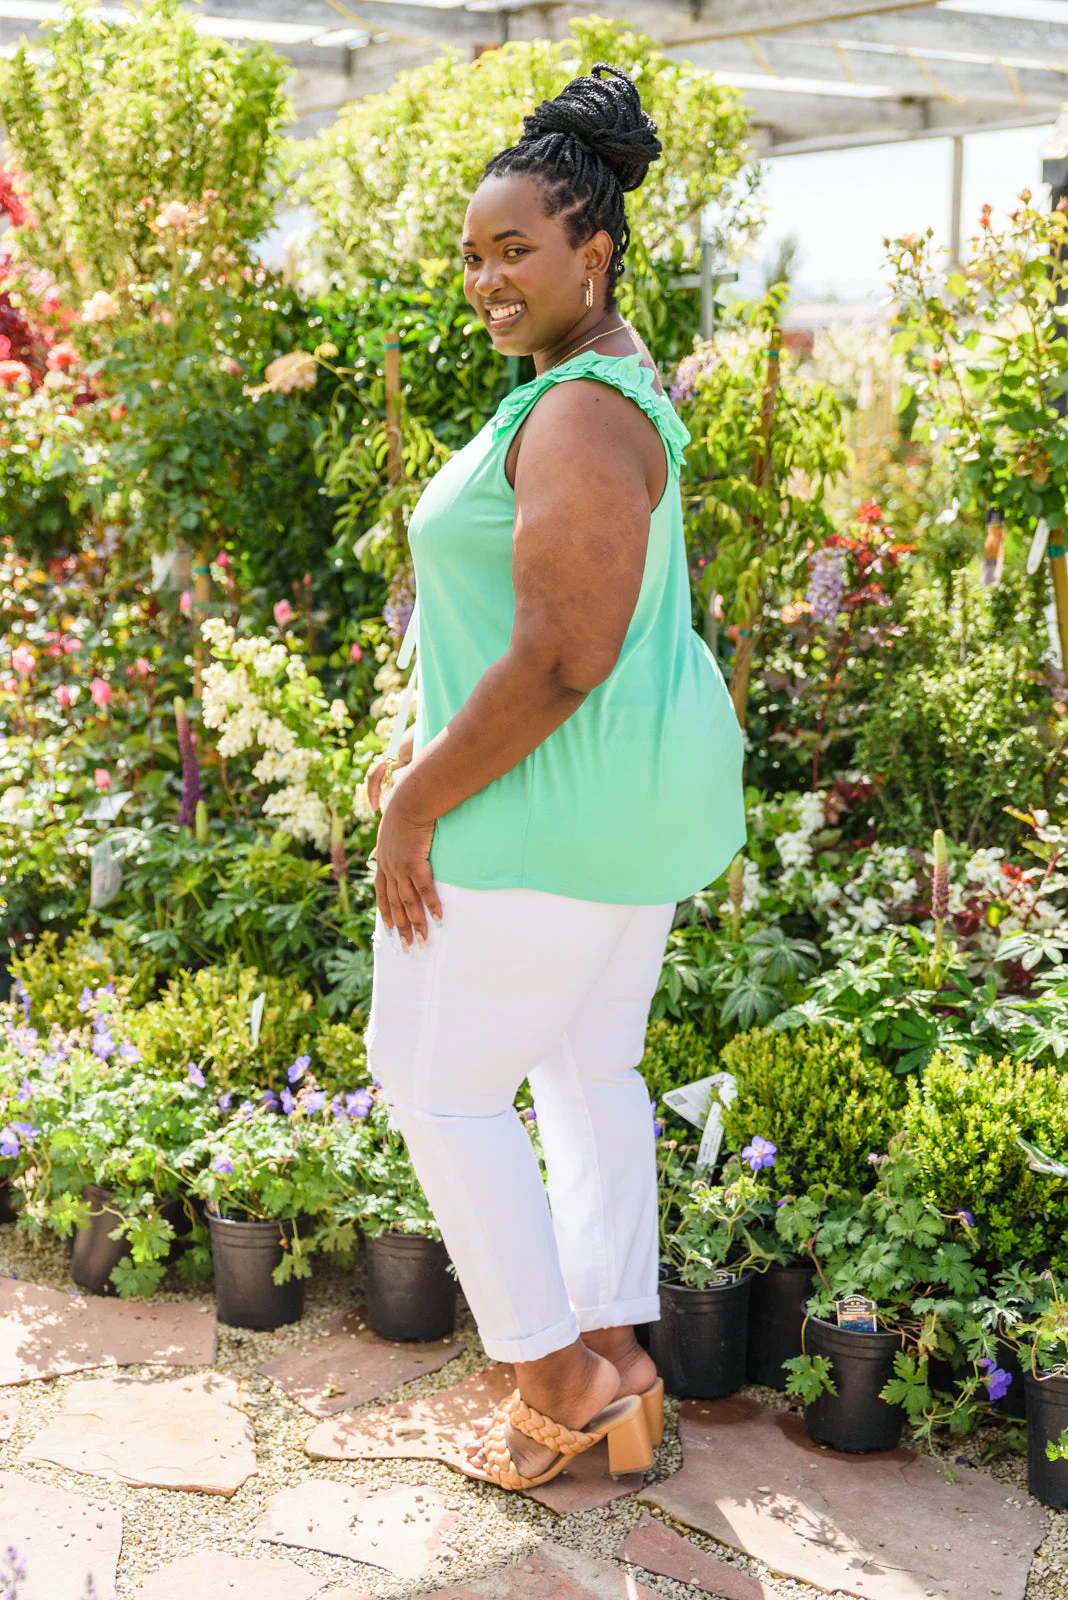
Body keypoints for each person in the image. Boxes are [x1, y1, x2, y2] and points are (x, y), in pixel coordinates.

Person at [364, 62, 745, 1492]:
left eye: (514, 248)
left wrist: (415, 800)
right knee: (589, 1076)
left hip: (537, 819)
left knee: (432, 1084)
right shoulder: (603, 385)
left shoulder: (580, 408)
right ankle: (619, 1359)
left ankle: (555, 1376)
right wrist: (433, 734)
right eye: (473, 255)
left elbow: (565, 650)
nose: (486, 278)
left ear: (594, 249)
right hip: (610, 813)